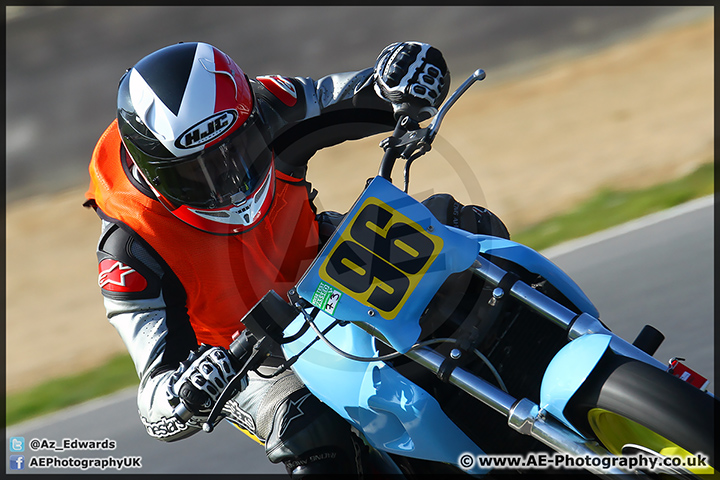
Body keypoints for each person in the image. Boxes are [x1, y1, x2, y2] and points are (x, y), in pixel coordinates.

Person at [84, 41, 509, 477]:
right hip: (251, 355)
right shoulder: (129, 246)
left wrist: (406, 79)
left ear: (252, 121)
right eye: (194, 173)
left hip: (331, 265)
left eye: (239, 150)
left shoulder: (268, 103)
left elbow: (366, 94)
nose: (225, 181)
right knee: (309, 434)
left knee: (466, 228)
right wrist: (190, 391)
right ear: (153, 171)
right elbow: (154, 404)